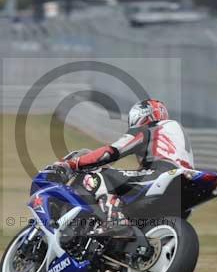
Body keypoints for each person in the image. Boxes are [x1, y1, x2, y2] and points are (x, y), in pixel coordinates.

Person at [54, 99, 194, 234]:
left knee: (100, 175)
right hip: (184, 183)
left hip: (162, 173)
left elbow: (111, 151)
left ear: (141, 115)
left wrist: (73, 163)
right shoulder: (174, 131)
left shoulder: (149, 128)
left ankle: (115, 222)